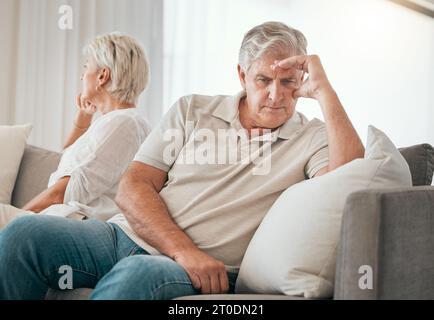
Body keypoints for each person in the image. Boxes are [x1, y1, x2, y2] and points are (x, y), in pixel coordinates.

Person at [0, 22, 364, 300]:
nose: (275, 95)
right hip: (123, 236)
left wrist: (325, 90)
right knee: (23, 235)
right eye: (263, 79)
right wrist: (184, 251)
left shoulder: (313, 136)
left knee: (136, 275)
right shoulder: (193, 109)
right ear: (241, 75)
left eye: (289, 82)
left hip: (200, 271)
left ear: (302, 80)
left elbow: (349, 182)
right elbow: (133, 186)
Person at [0, 32, 151, 228]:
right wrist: (84, 117)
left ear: (102, 76)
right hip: (64, 218)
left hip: (74, 222)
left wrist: (18, 220)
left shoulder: (125, 123)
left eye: (86, 66)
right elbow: (68, 161)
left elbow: (63, 192)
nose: (82, 75)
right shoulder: (114, 123)